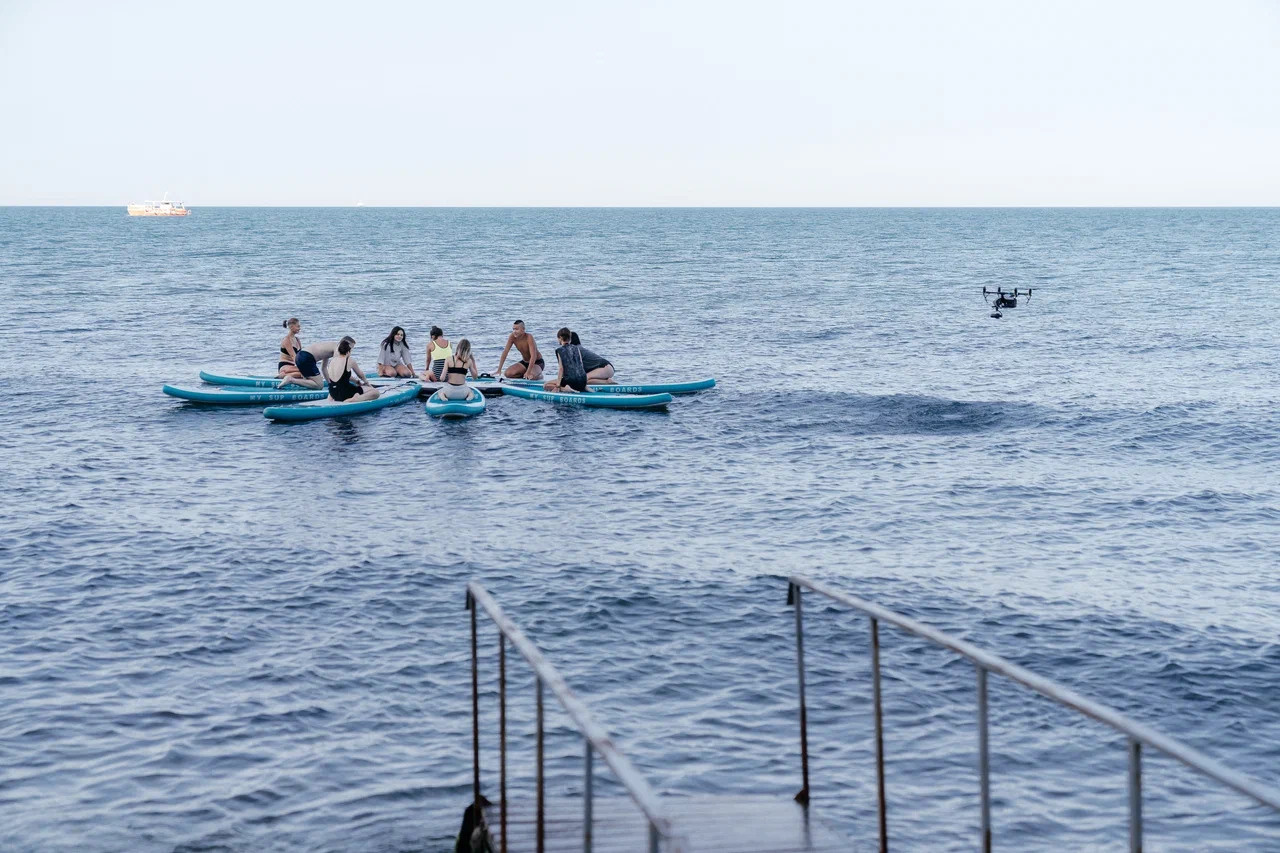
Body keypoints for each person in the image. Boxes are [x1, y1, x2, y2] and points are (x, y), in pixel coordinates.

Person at [324, 336, 380, 403]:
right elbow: (360, 375)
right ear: (348, 351)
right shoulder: (349, 360)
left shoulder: (332, 361)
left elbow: (342, 376)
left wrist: (356, 381)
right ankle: (355, 399)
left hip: (333, 392)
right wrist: (367, 383)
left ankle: (331, 399)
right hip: (345, 393)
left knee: (338, 386)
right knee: (375, 392)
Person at [545, 327, 588, 392]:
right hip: (583, 381)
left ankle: (565, 389)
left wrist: (558, 385)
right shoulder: (577, 348)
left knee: (546, 385)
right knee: (576, 379)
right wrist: (584, 383)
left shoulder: (559, 350)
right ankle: (584, 387)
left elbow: (561, 369)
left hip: (570, 382)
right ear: (570, 338)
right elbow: (581, 364)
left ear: (560, 338)